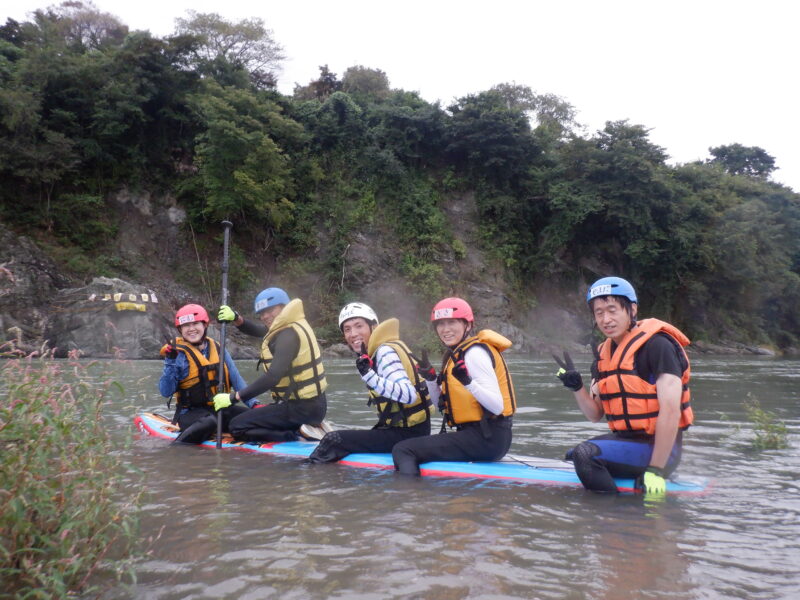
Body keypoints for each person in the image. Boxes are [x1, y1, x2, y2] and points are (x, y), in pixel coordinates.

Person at [553, 276, 694, 496]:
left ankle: (615, 516)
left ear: (632, 309)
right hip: (628, 441)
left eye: (612, 310)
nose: (606, 319)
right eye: (599, 313)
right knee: (573, 454)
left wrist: (655, 470)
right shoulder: (602, 355)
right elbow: (594, 414)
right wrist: (577, 387)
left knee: (584, 454)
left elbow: (671, 412)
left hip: (662, 450)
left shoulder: (658, 346)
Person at [391, 297, 516, 475]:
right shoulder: (457, 354)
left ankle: (412, 498)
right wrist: (431, 379)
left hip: (487, 439)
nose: (445, 329)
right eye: (440, 324)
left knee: (403, 449)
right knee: (414, 446)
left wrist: (468, 382)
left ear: (468, 325)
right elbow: (439, 405)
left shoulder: (474, 354)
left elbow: (497, 406)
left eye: (452, 322)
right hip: (482, 438)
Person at [308, 303, 433, 463]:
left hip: (408, 435)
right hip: (405, 430)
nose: (353, 334)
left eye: (359, 326)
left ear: (373, 327)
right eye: (347, 329)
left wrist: (369, 375)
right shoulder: (383, 349)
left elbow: (408, 395)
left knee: (333, 439)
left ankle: (305, 479)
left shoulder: (384, 352)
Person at [215, 287, 329, 442]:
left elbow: (273, 377)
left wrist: (235, 396)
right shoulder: (290, 325)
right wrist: (236, 318)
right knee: (247, 417)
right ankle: (296, 428)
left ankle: (294, 437)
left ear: (284, 307)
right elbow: (259, 330)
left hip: (302, 409)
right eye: (261, 313)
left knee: (237, 426)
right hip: (312, 406)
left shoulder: (288, 335)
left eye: (270, 310)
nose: (265, 316)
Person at [159, 303, 250, 444]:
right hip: (190, 414)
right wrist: (170, 362)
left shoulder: (219, 349)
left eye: (195, 324)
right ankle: (176, 449)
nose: (191, 329)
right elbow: (166, 391)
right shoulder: (177, 354)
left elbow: (238, 381)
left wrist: (255, 406)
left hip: (219, 409)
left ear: (205, 325)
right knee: (210, 422)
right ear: (180, 330)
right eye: (186, 326)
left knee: (253, 417)